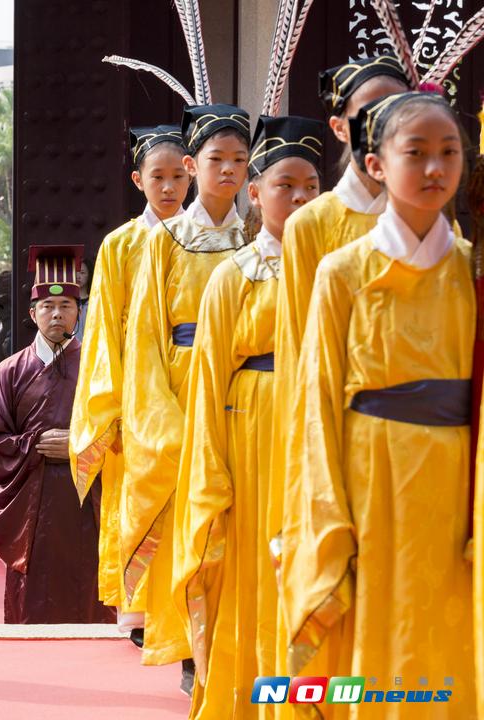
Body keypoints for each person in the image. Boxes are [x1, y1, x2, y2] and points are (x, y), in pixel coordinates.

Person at [281, 91, 475, 717]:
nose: (434, 169)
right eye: (414, 153)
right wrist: (327, 519)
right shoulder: (342, 271)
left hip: (456, 485)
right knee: (374, 636)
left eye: (449, 153)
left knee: (449, 634)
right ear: (375, 164)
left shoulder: (472, 272)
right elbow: (315, 400)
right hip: (370, 484)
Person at [267, 55, 410, 689]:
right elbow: (300, 352)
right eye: (369, 115)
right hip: (344, 436)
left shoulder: (433, 218)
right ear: (341, 126)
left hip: (421, 444)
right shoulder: (314, 226)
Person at [173, 115, 322, 718]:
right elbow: (209, 382)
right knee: (255, 567)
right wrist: (213, 470)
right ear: (255, 193)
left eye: (312, 185)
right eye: (286, 185)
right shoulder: (233, 277)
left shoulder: (340, 270)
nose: (301, 197)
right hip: (252, 429)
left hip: (318, 428)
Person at [121, 104, 249, 690]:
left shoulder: (255, 236)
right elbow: (144, 333)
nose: (228, 171)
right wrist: (160, 419)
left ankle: (237, 638)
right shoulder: (165, 240)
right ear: (194, 166)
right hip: (181, 382)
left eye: (239, 161)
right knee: (192, 524)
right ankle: (195, 652)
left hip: (244, 390)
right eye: (217, 160)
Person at [70, 124, 189, 642]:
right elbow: (101, 332)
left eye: (178, 176)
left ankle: (188, 599)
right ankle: (141, 609)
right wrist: (109, 406)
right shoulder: (120, 244)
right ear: (137, 180)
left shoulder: (207, 239)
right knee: (139, 495)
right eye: (157, 176)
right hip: (137, 393)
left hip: (189, 384)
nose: (169, 187)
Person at [0, 245, 115, 625]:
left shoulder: (100, 369)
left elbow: (122, 432)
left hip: (86, 501)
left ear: (79, 312)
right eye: (48, 307)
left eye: (67, 306)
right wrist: (34, 446)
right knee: (33, 598)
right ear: (32, 312)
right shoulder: (9, 371)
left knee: (87, 587)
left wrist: (78, 445)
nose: (57, 314)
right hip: (31, 510)